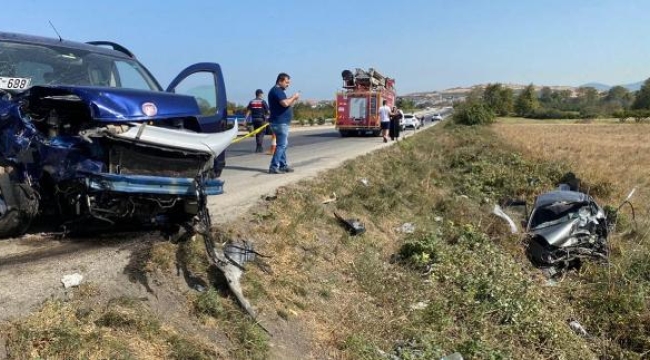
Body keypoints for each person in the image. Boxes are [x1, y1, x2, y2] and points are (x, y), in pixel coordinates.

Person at [268, 72, 300, 174]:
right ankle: (274, 166)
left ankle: (283, 165)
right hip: (280, 123)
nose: (288, 84)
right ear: (280, 81)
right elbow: (285, 103)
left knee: (282, 145)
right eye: (286, 82)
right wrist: (293, 97)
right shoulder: (277, 91)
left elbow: (287, 104)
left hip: (280, 122)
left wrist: (293, 99)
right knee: (282, 145)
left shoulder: (278, 91)